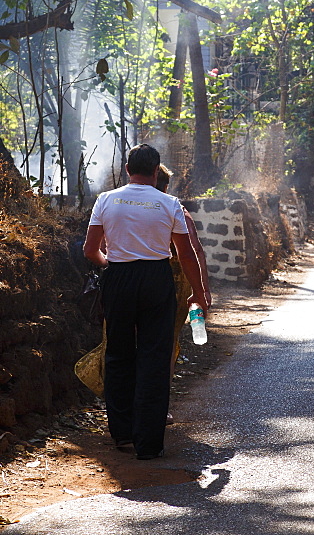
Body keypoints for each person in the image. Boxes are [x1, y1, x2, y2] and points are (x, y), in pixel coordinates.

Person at [83, 144, 208, 460]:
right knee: (155, 356)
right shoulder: (169, 203)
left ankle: (122, 433)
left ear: (127, 169)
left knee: (119, 354)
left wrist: (110, 264)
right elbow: (185, 253)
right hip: (156, 279)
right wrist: (200, 291)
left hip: (119, 278)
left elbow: (90, 251)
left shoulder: (106, 200)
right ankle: (149, 443)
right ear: (156, 172)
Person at [156, 164, 211, 425]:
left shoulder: (118, 203)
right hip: (172, 284)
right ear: (166, 186)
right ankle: (159, 406)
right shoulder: (173, 208)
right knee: (164, 346)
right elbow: (193, 251)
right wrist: (202, 291)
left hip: (125, 281)